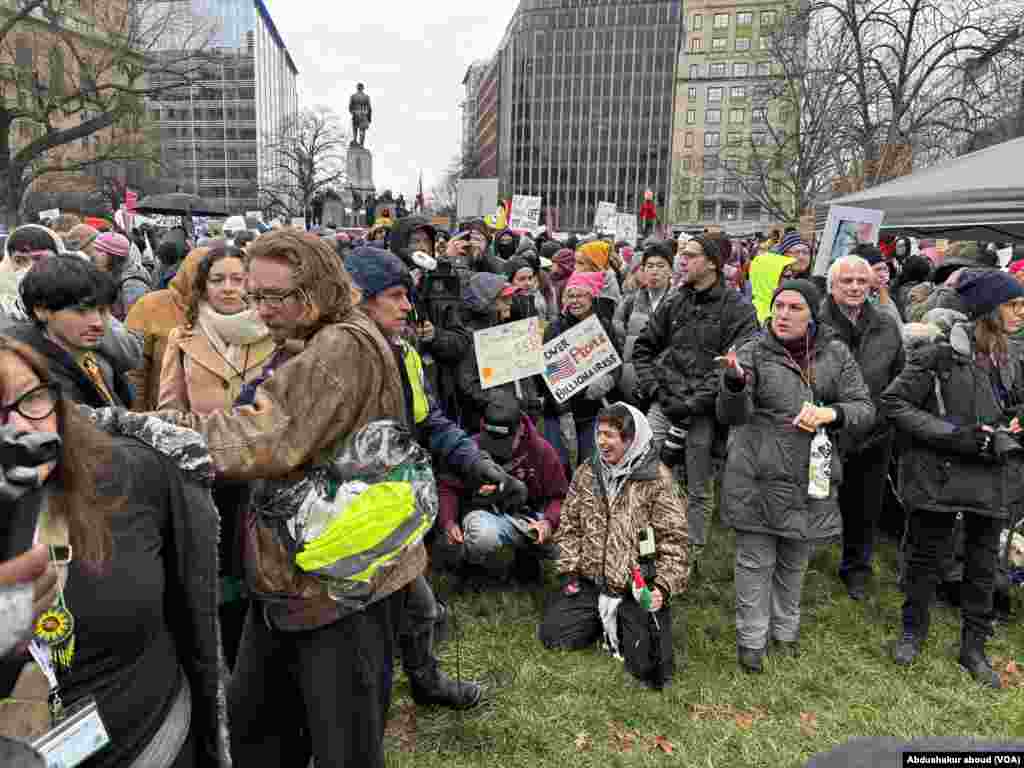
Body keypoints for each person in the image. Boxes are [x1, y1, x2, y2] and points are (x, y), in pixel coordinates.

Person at [136, 230, 424, 767]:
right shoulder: (318, 338)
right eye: (256, 295)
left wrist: (145, 429)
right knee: (258, 733)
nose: (262, 310)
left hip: (337, 587)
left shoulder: (340, 347)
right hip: (295, 579)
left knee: (344, 747)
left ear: (315, 289)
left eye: (275, 296)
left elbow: (260, 437)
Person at [0, 336, 226, 766]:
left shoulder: (132, 475)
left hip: (156, 744)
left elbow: (193, 622)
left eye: (31, 399)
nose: (21, 428)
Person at [344, 246, 530, 710]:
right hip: (346, 511)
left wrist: (476, 462)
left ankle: (425, 682)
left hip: (395, 502)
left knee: (420, 605)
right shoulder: (332, 356)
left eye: (408, 295)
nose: (409, 306)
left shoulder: (404, 352)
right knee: (368, 621)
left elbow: (430, 422)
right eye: (395, 295)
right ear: (358, 298)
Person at [717, 279, 873, 673]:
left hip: (811, 472)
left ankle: (785, 631)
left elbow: (864, 407)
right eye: (778, 306)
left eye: (794, 308)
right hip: (756, 471)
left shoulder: (835, 354)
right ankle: (751, 639)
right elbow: (731, 415)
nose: (783, 315)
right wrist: (734, 384)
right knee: (755, 559)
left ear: (813, 313)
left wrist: (831, 413)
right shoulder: (752, 351)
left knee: (794, 556)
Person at [881, 270, 1024, 689]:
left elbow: (1015, 405)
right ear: (987, 310)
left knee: (983, 565)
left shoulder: (1010, 358)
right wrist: (952, 435)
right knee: (925, 559)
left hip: (991, 477)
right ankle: (912, 632)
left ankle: (973, 647)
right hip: (938, 476)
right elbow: (893, 402)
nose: (1020, 312)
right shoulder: (937, 356)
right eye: (1012, 305)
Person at [156, 243, 275, 668]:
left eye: (238, 279)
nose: (228, 288)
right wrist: (199, 428)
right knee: (218, 568)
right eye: (218, 279)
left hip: (261, 466)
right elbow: (167, 408)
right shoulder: (182, 337)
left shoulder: (274, 332)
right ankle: (223, 657)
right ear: (203, 286)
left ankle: (262, 654)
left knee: (261, 564)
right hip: (206, 471)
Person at [538, 403, 689, 689]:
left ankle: (624, 620)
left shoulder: (658, 480)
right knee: (554, 636)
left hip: (636, 587)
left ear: (631, 440)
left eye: (610, 435)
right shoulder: (587, 471)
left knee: (649, 670)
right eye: (599, 433)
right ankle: (602, 619)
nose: (601, 442)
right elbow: (570, 524)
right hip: (591, 580)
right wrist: (570, 570)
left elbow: (676, 542)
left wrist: (662, 588)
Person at [632, 235, 758, 557]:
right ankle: (647, 547)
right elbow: (643, 347)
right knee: (646, 473)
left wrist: (694, 403)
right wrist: (656, 390)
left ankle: (690, 555)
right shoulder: (675, 301)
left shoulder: (738, 309)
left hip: (703, 412)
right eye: (681, 255)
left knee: (699, 486)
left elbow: (736, 362)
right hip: (665, 404)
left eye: (690, 255)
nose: (682, 261)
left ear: (713, 262)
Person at [819, 255, 904, 599]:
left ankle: (856, 567)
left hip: (874, 432)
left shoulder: (886, 324)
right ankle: (795, 559)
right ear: (832, 286)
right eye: (846, 281)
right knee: (811, 498)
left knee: (865, 505)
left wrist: (884, 417)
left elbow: (900, 377)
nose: (855, 287)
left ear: (872, 285)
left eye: (861, 281)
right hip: (824, 428)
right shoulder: (816, 322)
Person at [436, 391, 568, 580]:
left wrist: (548, 522)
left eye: (504, 442)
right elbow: (447, 487)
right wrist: (448, 522)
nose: (497, 448)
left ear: (521, 429)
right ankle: (470, 564)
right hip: (486, 516)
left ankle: (527, 558)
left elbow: (560, 497)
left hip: (529, 519)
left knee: (563, 545)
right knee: (482, 536)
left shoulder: (541, 451)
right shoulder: (470, 448)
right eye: (492, 440)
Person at [7, 255, 134, 408]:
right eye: (80, 311)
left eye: (102, 311)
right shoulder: (27, 370)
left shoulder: (94, 353)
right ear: (42, 310)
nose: (98, 323)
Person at [543, 271, 622, 470]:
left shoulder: (603, 325)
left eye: (581, 295)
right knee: (559, 465)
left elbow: (616, 363)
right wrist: (563, 412)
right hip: (561, 412)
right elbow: (546, 375)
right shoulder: (554, 328)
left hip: (592, 410)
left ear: (592, 297)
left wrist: (608, 380)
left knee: (591, 465)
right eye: (571, 295)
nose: (575, 301)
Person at [457, 272, 544, 433]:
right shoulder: (472, 337)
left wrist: (532, 403)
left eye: (510, 298)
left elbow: (523, 374)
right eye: (504, 299)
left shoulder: (508, 329)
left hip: (523, 420)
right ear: (485, 305)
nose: (510, 302)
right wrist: (505, 402)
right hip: (493, 426)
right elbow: (468, 385)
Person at [125, 247, 210, 411]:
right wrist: (140, 416)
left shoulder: (237, 311)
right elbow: (135, 370)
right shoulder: (151, 306)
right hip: (163, 418)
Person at [614, 241, 674, 403]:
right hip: (631, 384)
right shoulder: (629, 302)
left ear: (671, 271)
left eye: (661, 266)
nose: (655, 271)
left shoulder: (680, 302)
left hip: (666, 386)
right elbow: (619, 339)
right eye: (650, 266)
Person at [91, 232, 152, 321]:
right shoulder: (115, 273)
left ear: (113, 256)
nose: (93, 255)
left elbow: (135, 324)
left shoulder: (133, 284)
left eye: (99, 251)